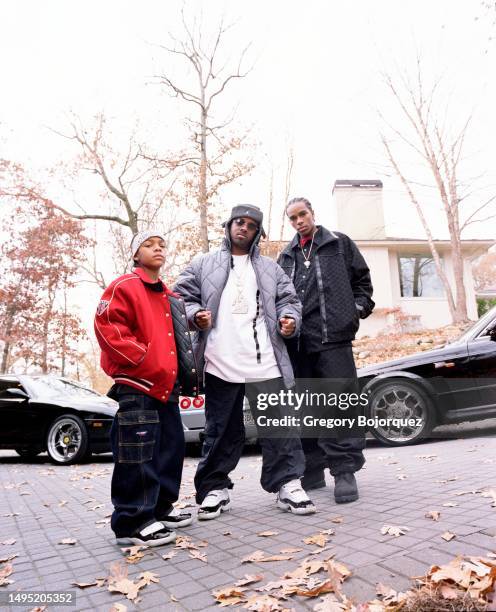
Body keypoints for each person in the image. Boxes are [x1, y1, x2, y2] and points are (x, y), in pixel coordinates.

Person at [174, 204, 316, 518]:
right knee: (221, 430)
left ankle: (288, 484)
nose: (244, 228)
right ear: (229, 226)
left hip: (265, 360)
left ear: (257, 233)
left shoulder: (269, 268)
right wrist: (195, 316)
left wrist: (289, 319)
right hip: (220, 362)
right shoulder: (203, 264)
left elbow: (289, 301)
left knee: (280, 427)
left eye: (251, 225)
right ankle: (214, 489)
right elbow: (179, 297)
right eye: (239, 222)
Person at [94, 230, 192, 547]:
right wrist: (142, 358)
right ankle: (132, 521)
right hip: (137, 384)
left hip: (166, 387)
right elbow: (107, 325)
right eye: (149, 245)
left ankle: (159, 510)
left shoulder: (171, 296)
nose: (158, 249)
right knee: (137, 453)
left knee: (170, 449)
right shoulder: (124, 286)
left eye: (162, 245)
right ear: (136, 254)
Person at [278, 197, 374, 504]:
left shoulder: (339, 244)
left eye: (302, 215)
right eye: (292, 218)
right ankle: (314, 468)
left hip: (334, 339)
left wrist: (355, 309)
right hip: (300, 344)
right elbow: (281, 297)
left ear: (312, 213)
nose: (298, 221)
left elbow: (363, 282)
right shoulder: (287, 256)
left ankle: (344, 470)